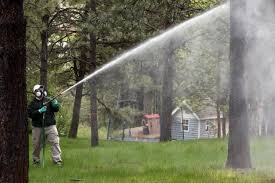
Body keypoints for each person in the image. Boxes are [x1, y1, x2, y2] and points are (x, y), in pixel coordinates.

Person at [27, 84, 62, 166]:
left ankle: (57, 161)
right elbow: (30, 114)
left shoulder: (49, 100)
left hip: (50, 126)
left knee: (55, 143)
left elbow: (56, 109)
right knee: (36, 145)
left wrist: (56, 104)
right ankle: (36, 161)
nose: (42, 91)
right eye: (40, 90)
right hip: (37, 127)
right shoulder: (32, 103)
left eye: (42, 90)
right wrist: (39, 111)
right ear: (36, 92)